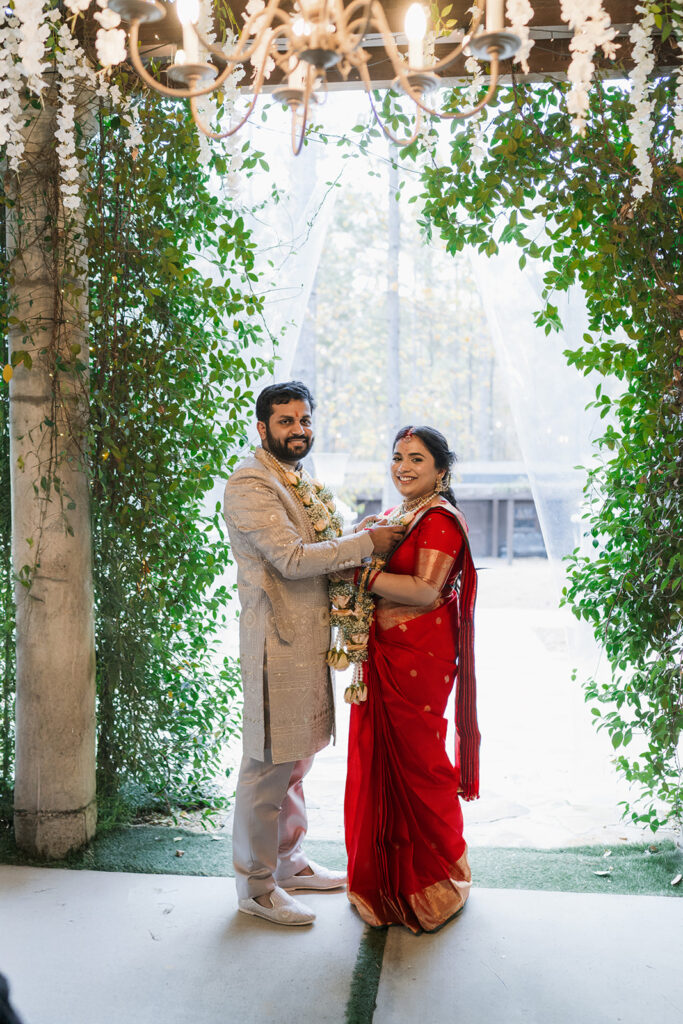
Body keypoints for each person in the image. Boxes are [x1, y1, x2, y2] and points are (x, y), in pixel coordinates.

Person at [223, 381, 405, 927]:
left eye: (304, 420)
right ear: (262, 428)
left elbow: (316, 542)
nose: (298, 430)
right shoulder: (250, 484)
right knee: (268, 762)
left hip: (307, 640)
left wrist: (356, 532)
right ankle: (255, 887)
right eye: (286, 421)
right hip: (274, 642)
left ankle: (289, 863)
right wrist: (367, 545)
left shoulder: (294, 479)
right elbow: (293, 559)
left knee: (297, 759)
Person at [344, 425, 480, 934]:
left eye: (416, 459)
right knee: (378, 761)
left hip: (417, 662)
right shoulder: (402, 514)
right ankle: (383, 883)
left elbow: (425, 592)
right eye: (397, 456)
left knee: (419, 767)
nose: (403, 466)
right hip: (383, 658)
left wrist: (360, 574)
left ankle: (430, 885)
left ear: (440, 471)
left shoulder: (440, 519)